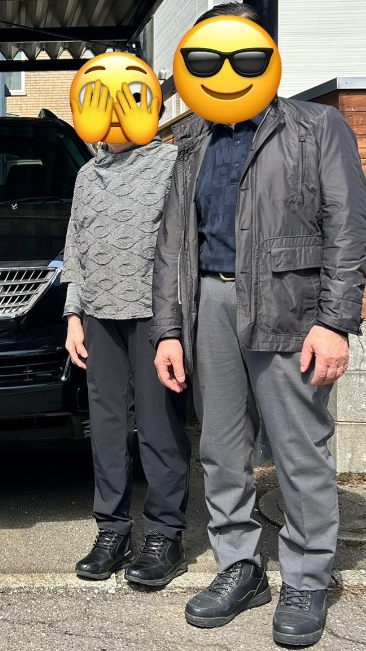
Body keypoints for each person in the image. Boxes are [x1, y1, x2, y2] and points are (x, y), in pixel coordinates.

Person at [152, 3, 366, 646]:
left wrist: (336, 321)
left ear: (268, 55)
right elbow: (171, 243)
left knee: (300, 450)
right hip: (210, 307)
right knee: (221, 450)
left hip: (290, 309)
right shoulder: (193, 140)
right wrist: (168, 329)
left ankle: (306, 577)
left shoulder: (316, 125)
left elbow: (348, 228)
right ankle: (239, 567)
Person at [62, 130, 190, 587]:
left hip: (155, 314)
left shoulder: (171, 163)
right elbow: (75, 250)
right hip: (99, 316)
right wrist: (73, 316)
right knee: (108, 428)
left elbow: (182, 245)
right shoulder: (87, 173)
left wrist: (174, 322)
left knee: (159, 427)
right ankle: (112, 532)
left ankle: (164, 535)